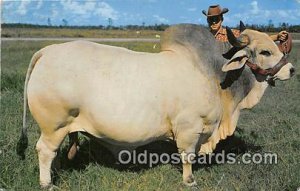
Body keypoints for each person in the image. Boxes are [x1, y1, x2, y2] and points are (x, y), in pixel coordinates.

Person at [202, 5, 288, 43]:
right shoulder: (203, 36)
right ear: (207, 20)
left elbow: (256, 38)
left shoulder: (232, 34)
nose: (213, 22)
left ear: (222, 19)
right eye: (210, 19)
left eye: (216, 19)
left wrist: (277, 37)